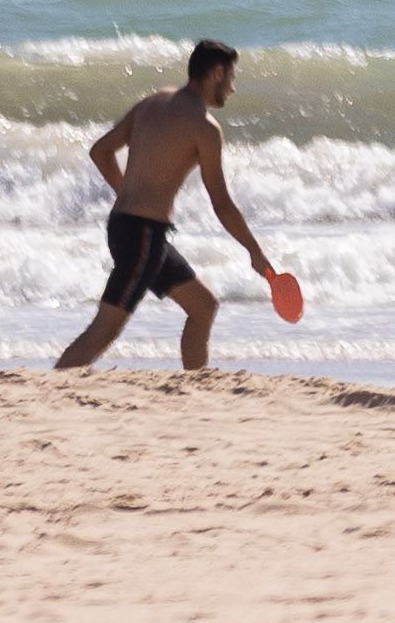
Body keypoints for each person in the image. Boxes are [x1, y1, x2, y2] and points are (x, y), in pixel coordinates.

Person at [57, 39, 280, 373]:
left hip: (128, 227)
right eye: (232, 78)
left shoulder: (154, 102)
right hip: (143, 237)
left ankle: (195, 384)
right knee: (103, 330)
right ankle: (52, 386)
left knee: (203, 307)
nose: (232, 88)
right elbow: (221, 204)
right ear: (217, 73)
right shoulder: (205, 128)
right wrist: (254, 251)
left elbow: (100, 151)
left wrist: (126, 193)